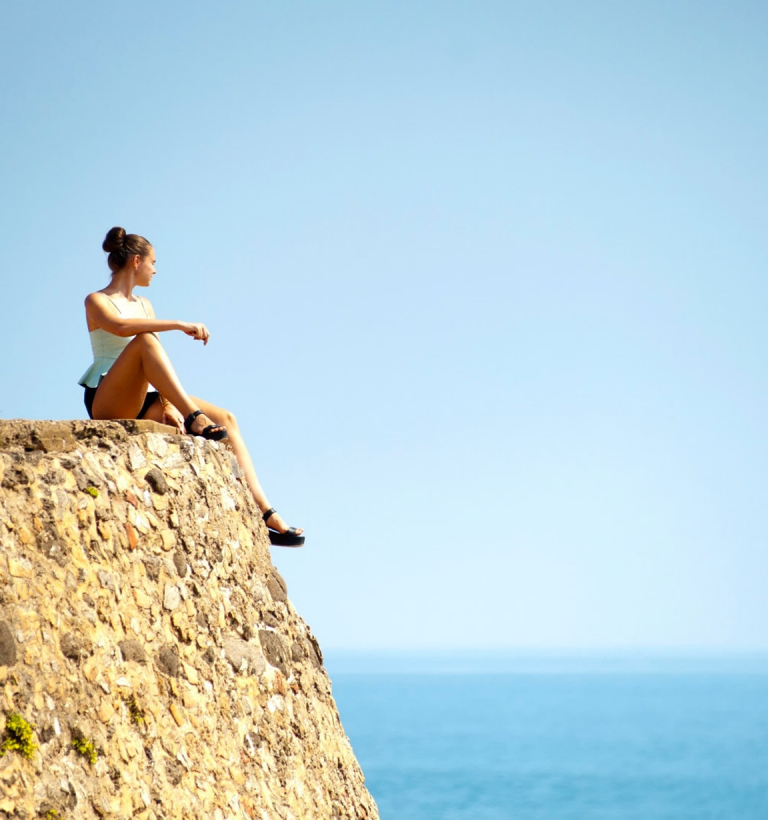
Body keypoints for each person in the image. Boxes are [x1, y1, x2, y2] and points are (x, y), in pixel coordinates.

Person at [78, 226, 304, 548]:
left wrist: (169, 406)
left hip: (147, 395)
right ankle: (194, 416)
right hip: (108, 398)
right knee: (143, 340)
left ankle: (265, 512)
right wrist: (178, 324)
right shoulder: (96, 300)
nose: (156, 270)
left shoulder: (145, 304)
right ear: (137, 261)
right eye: (154, 262)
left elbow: (154, 363)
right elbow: (120, 327)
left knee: (227, 418)